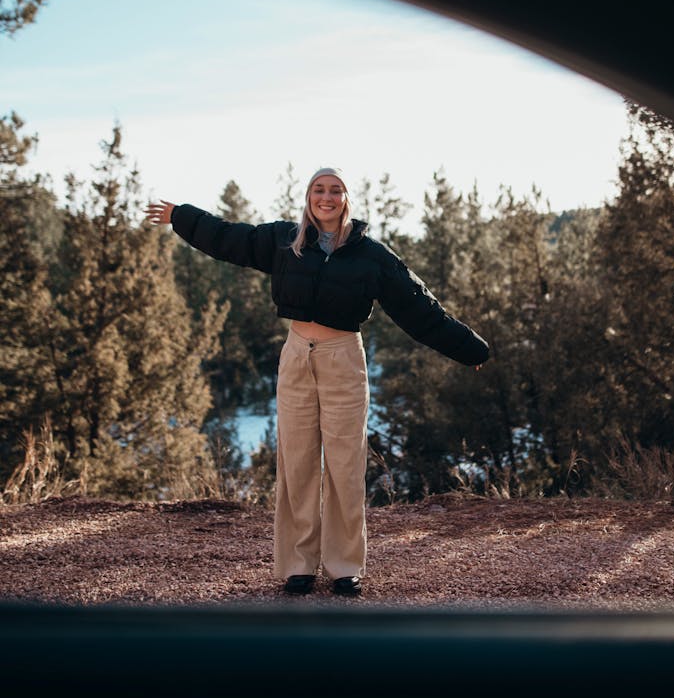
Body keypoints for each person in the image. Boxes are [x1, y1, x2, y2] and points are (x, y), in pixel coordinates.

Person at [145, 167, 489, 597]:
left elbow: (419, 307)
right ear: (308, 197)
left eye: (334, 190)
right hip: (296, 356)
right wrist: (182, 216)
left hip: (342, 358)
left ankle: (344, 566)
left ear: (346, 199)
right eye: (318, 190)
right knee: (298, 462)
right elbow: (229, 237)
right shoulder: (285, 241)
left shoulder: (371, 256)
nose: (325, 197)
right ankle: (298, 565)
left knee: (345, 465)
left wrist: (470, 349)